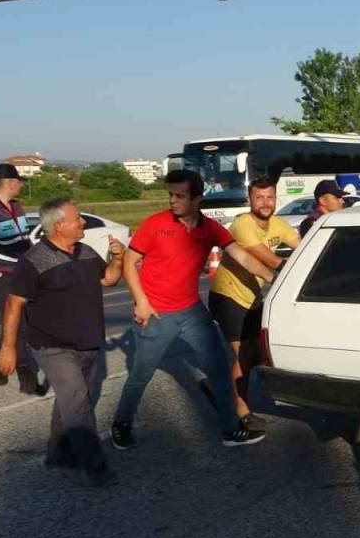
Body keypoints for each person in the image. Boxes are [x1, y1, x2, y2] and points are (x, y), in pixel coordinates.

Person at [111, 169, 277, 450]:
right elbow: (129, 262)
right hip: (156, 313)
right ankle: (121, 423)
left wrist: (274, 279)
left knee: (219, 369)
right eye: (170, 195)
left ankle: (230, 429)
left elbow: (243, 258)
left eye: (180, 196)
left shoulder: (210, 229)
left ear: (198, 198)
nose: (172, 201)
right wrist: (141, 301)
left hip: (192, 312)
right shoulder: (154, 224)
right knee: (141, 374)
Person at [0, 197, 124, 487]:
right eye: (77, 218)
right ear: (58, 226)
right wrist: (8, 347)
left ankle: (58, 453)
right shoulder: (34, 260)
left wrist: (117, 259)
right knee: (77, 401)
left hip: (88, 340)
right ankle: (96, 466)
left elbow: (108, 280)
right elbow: (14, 304)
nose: (83, 222)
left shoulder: (86, 251)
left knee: (73, 399)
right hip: (52, 345)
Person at [209, 177, 300, 431]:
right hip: (228, 297)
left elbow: (301, 246)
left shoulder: (278, 224)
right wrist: (296, 272)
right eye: (259, 197)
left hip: (253, 297)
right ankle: (241, 413)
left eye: (269, 197)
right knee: (244, 355)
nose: (265, 203)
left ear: (276, 199)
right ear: (249, 199)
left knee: (257, 353)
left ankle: (220, 387)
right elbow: (268, 260)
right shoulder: (242, 224)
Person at [0, 163, 45, 396]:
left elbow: (23, 241)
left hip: (21, 272)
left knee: (21, 322)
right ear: (10, 183)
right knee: (20, 324)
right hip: (0, 275)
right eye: (19, 181)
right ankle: (27, 378)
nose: (21, 185)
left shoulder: (17, 207)